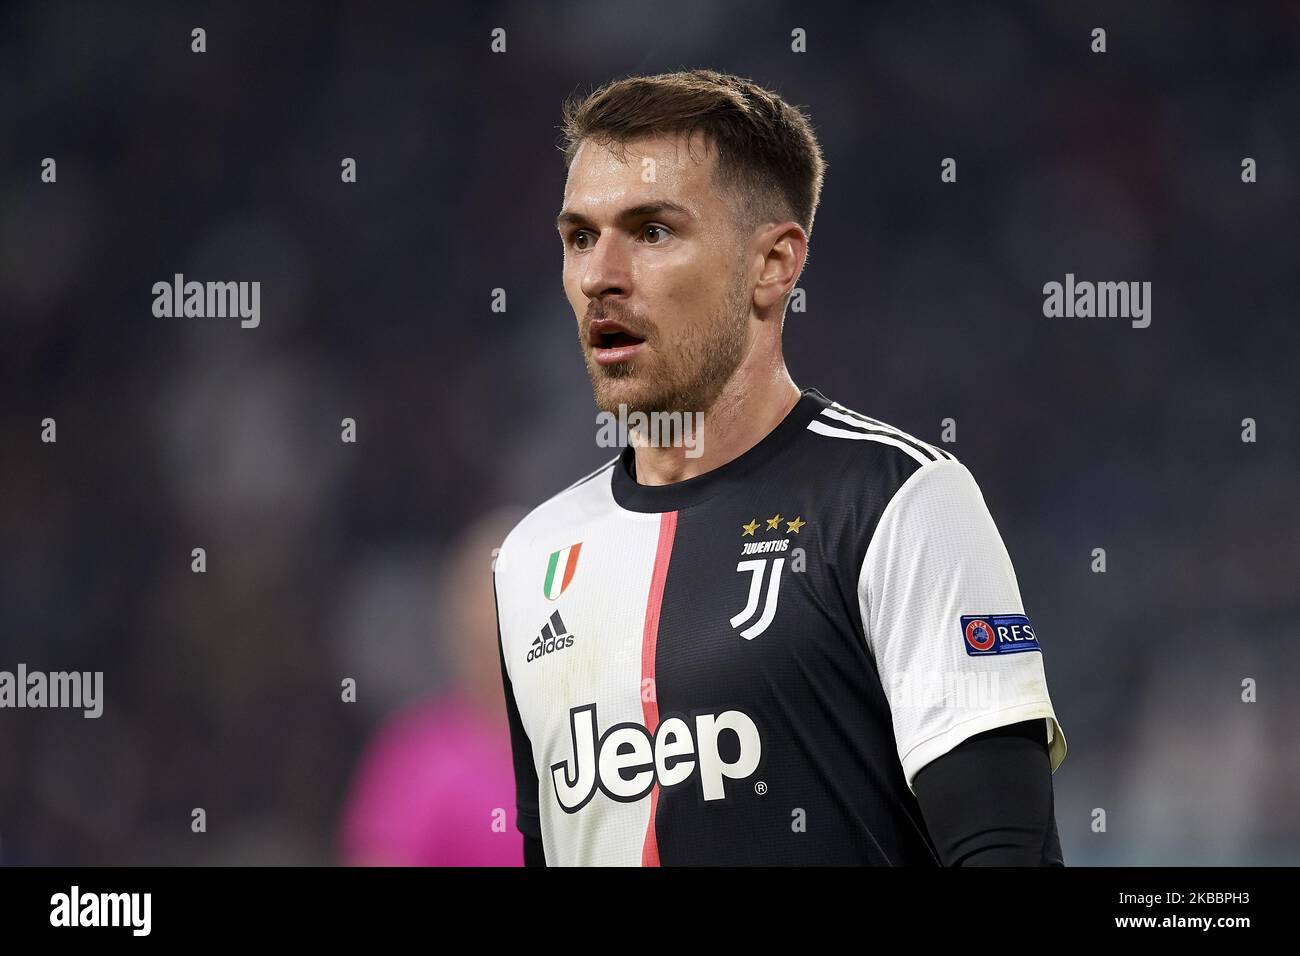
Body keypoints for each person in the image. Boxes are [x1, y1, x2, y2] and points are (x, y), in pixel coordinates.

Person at [493, 69, 1066, 866]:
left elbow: (1008, 853)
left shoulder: (900, 504)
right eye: (580, 237)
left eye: (652, 231)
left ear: (773, 265)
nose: (599, 276)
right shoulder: (530, 559)